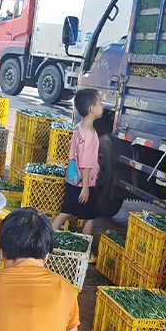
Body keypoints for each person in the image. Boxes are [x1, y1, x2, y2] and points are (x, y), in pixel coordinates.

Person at [52, 88, 104, 237]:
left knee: (66, 212)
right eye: (100, 103)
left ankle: (46, 237)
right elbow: (86, 164)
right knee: (90, 217)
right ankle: (86, 248)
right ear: (92, 109)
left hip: (72, 179)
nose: (102, 107)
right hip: (84, 184)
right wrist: (86, 187)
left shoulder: (79, 127)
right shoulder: (90, 136)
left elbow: (77, 153)